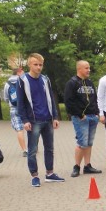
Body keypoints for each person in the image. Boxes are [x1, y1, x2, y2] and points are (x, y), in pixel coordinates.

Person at [17, 53, 65, 187]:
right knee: (32, 150)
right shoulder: (23, 80)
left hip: (47, 119)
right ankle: (34, 176)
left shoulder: (45, 79)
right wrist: (25, 120)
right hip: (33, 121)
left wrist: (55, 116)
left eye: (40, 65)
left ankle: (50, 173)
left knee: (49, 148)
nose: (38, 67)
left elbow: (51, 98)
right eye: (35, 64)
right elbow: (20, 103)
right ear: (29, 65)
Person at [65, 60, 102, 178]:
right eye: (86, 68)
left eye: (89, 68)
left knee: (89, 143)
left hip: (93, 117)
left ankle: (88, 166)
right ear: (79, 69)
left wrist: (97, 113)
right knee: (82, 143)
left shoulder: (90, 83)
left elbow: (94, 98)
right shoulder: (72, 83)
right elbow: (68, 102)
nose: (89, 70)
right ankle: (76, 166)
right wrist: (80, 115)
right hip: (80, 118)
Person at [3, 67, 27, 157]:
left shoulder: (7, 84)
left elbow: (5, 98)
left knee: (19, 130)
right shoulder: (23, 81)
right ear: (19, 72)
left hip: (13, 108)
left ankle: (25, 150)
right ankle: (34, 147)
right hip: (25, 108)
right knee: (30, 127)